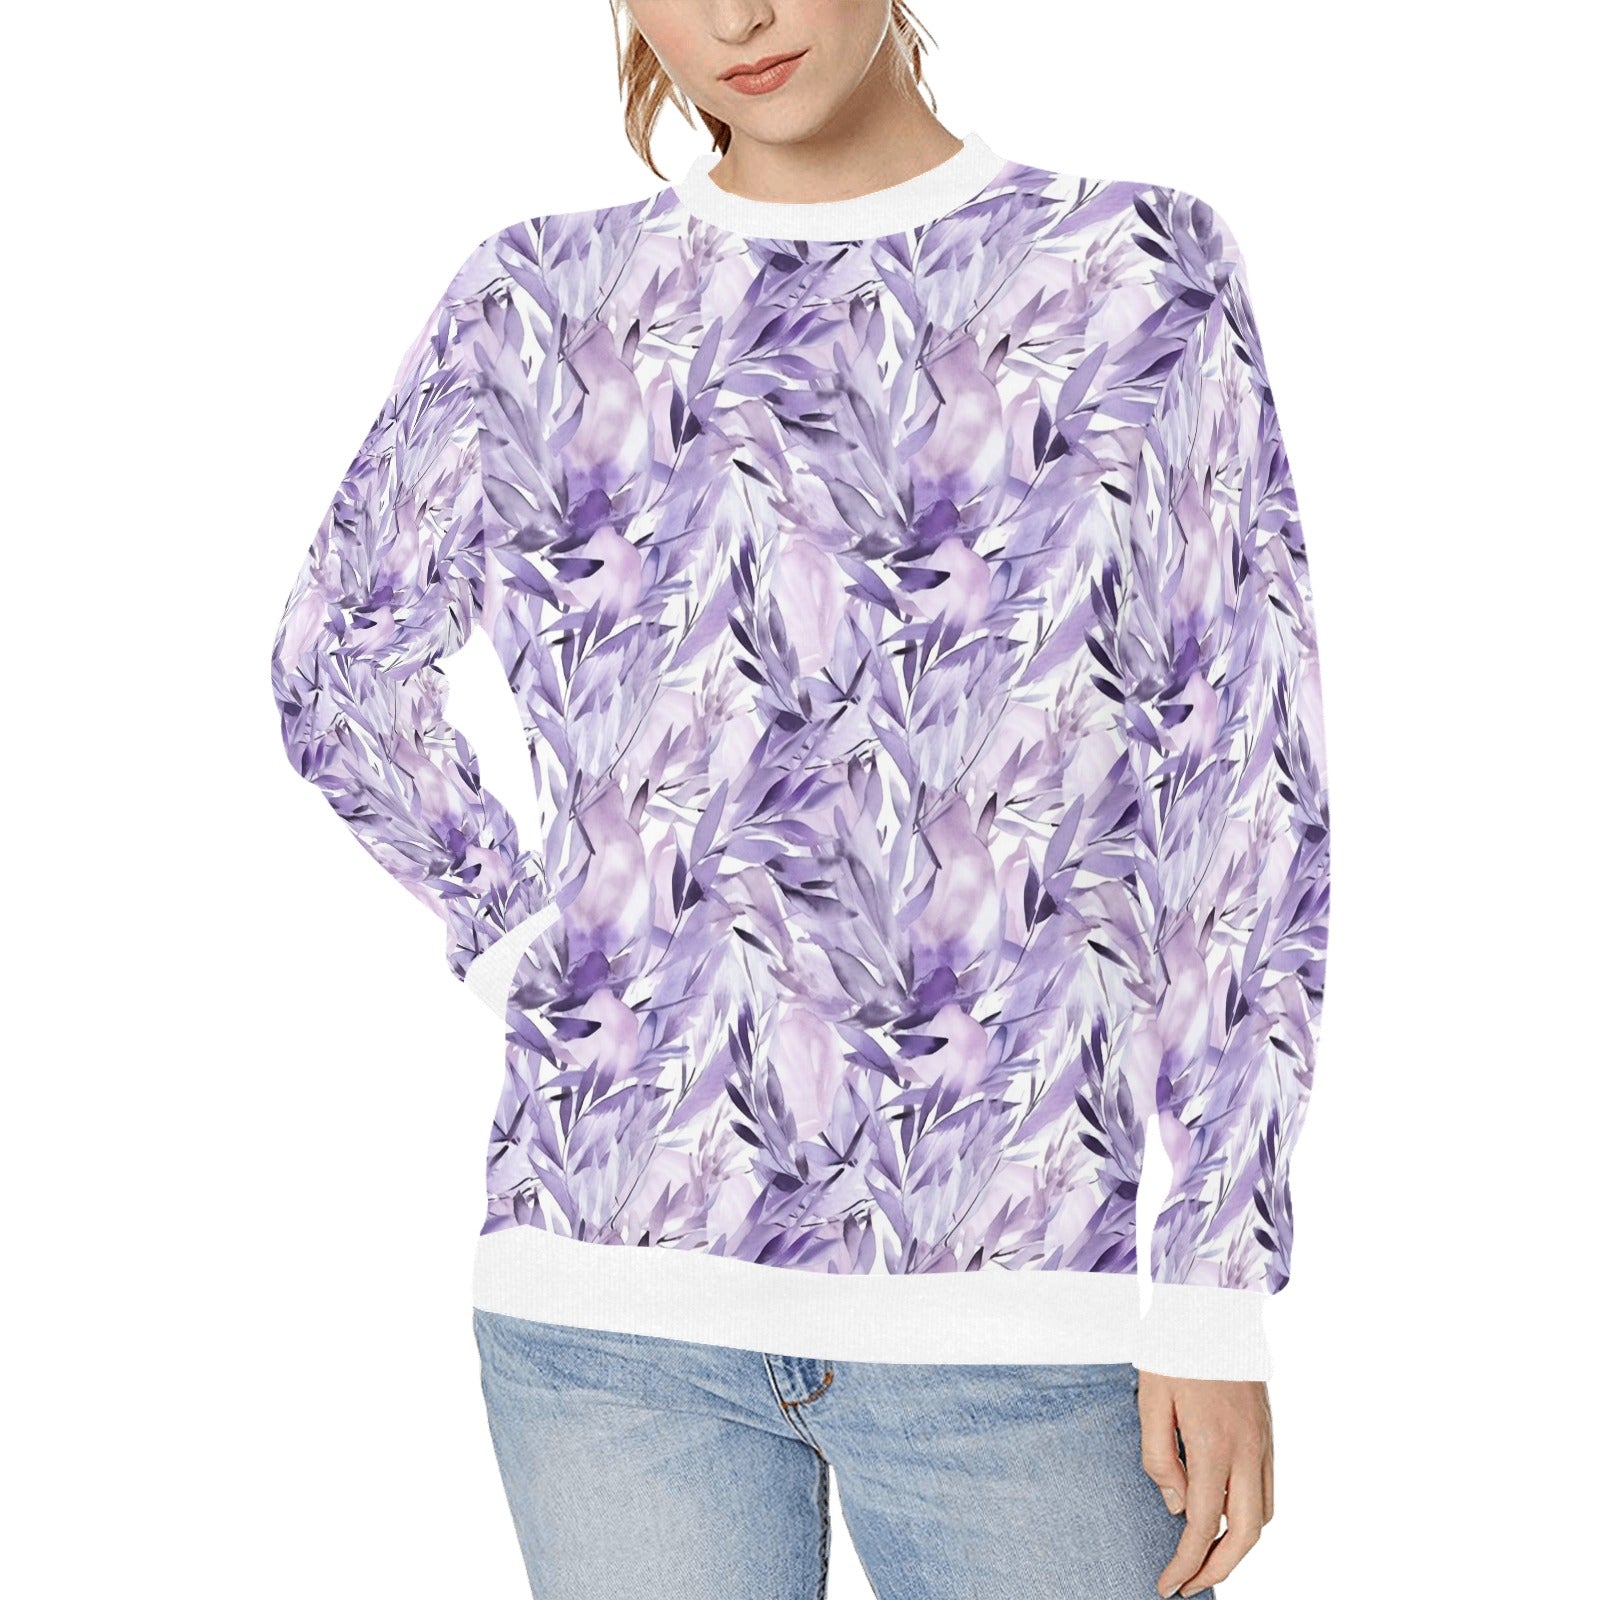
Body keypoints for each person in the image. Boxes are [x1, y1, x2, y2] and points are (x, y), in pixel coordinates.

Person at [268, 2, 1331, 1595]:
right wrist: (526, 939)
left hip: (1022, 1320)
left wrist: (1214, 1283)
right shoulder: (538, 299)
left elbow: (1239, 778)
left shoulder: (1130, 270)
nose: (734, 17)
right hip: (607, 1314)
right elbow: (335, 662)